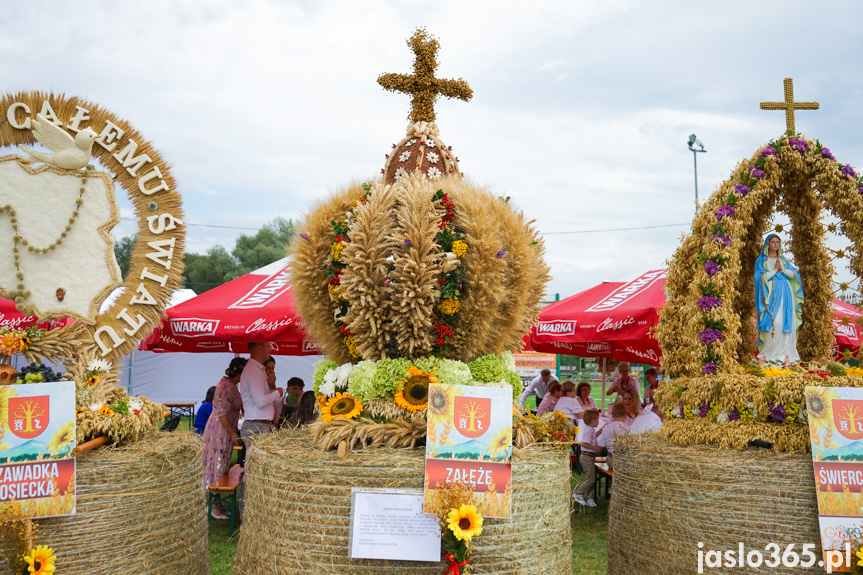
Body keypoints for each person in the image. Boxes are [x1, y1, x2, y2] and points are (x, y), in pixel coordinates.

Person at [201, 357, 247, 519]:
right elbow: (221, 412)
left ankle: (218, 503)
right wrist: (233, 432)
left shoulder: (231, 385)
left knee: (223, 463)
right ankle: (214, 506)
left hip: (225, 430)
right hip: (219, 430)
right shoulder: (225, 386)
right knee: (217, 463)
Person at [755, 234, 804, 364]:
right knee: (773, 322)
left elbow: (794, 275)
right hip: (770, 295)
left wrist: (782, 270)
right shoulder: (761, 261)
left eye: (778, 242)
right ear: (768, 244)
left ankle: (785, 354)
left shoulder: (784, 260)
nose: (776, 244)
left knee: (787, 322)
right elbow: (759, 278)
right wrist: (774, 271)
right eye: (773, 242)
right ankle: (767, 353)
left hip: (786, 294)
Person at [239, 342, 284, 444]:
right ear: (259, 349)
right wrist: (278, 392)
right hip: (257, 426)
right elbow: (261, 401)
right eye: (268, 347)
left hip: (259, 425)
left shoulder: (257, 369)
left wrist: (272, 388)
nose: (270, 350)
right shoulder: (254, 371)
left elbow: (262, 399)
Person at [573, 409, 601, 508]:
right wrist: (595, 448)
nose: (598, 422)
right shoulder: (589, 430)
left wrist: (600, 432)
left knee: (590, 477)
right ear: (593, 420)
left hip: (589, 456)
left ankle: (590, 497)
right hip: (587, 457)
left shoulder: (590, 429)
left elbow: (592, 437)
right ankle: (578, 493)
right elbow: (584, 443)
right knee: (591, 479)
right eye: (598, 420)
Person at [597, 401, 628, 470]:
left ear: (612, 415)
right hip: (625, 460)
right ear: (626, 415)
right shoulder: (628, 429)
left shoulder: (607, 428)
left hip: (611, 459)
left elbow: (601, 445)